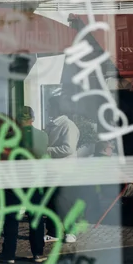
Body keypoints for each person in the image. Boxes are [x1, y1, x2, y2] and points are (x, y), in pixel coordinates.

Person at [46, 98, 80, 244]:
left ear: (57, 108)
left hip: (65, 170)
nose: (47, 109)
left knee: (64, 202)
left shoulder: (68, 125)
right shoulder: (51, 125)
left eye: (49, 106)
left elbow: (68, 148)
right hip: (52, 169)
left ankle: (71, 231)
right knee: (51, 202)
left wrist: (47, 150)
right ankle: (53, 232)